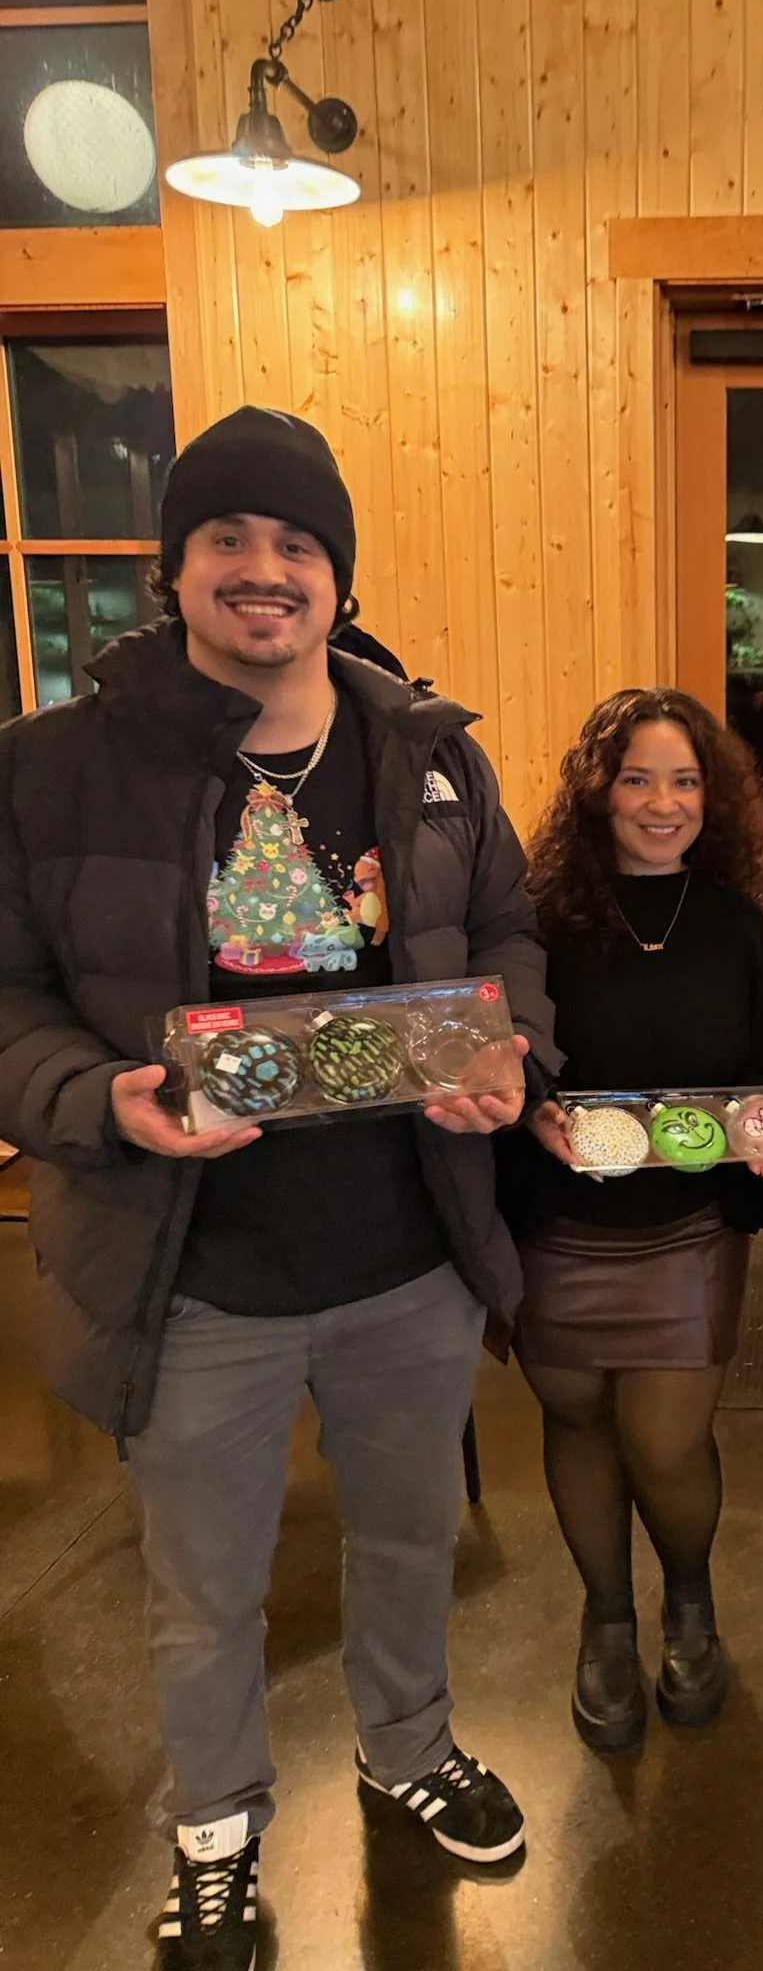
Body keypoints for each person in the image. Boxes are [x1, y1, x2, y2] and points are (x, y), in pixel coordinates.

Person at [0, 406, 560, 1971]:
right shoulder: (49, 769)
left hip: (408, 1253)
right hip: (186, 1271)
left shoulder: (430, 758)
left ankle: (405, 1744)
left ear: (338, 574)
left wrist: (512, 1044)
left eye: (295, 544)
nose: (263, 572)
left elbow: (510, 935)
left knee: (406, 1537)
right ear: (173, 572)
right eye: (226, 540)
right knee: (203, 1589)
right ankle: (217, 1829)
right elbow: (5, 1002)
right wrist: (95, 1099)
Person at [497, 689, 763, 1754]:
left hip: (685, 1222)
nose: (663, 801)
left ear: (713, 798)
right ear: (597, 790)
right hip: (557, 1223)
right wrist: (525, 1108)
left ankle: (688, 1596)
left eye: (685, 779)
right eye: (638, 776)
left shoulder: (731, 921)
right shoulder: (538, 919)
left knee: (666, 1440)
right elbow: (501, 1059)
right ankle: (606, 1616)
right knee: (578, 1416)